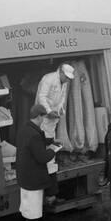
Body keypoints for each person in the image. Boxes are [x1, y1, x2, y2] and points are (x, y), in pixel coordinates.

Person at [15, 104, 60, 221]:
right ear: (39, 116)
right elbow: (42, 157)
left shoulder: (24, 130)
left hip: (24, 177)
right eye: (43, 117)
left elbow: (36, 142)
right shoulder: (34, 134)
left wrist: (51, 141)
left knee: (28, 209)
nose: (44, 119)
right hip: (33, 180)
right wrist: (53, 149)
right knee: (33, 213)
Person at [35, 63, 75, 204]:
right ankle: (48, 189)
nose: (67, 80)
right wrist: (48, 111)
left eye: (69, 78)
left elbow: (62, 98)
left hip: (53, 119)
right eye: (66, 77)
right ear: (60, 72)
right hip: (43, 117)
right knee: (44, 146)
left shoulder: (64, 82)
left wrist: (60, 110)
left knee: (50, 144)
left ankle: (51, 192)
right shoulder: (48, 79)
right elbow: (42, 96)